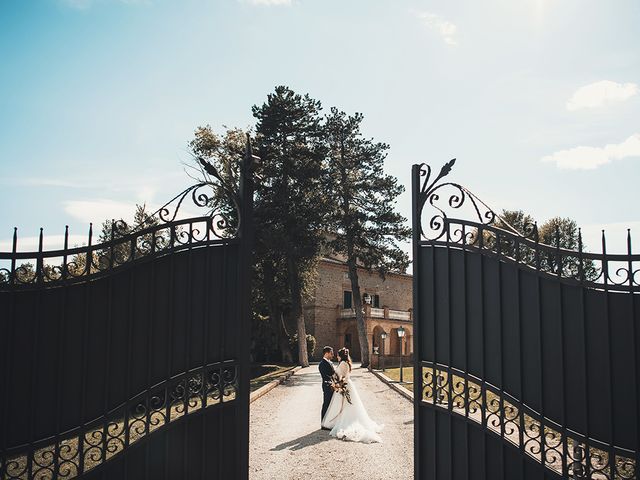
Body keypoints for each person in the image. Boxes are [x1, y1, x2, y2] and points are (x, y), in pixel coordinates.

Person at [321, 347, 383, 443]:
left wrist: (335, 382)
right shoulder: (347, 363)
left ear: (340, 356)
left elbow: (337, 375)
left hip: (343, 385)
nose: (336, 357)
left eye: (337, 355)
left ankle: (338, 423)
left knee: (343, 405)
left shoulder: (342, 363)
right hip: (348, 384)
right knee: (348, 405)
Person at [318, 346, 336, 430]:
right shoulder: (322, 364)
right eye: (331, 353)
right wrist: (332, 383)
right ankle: (323, 424)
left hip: (332, 386)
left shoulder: (330, 362)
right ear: (327, 353)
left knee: (330, 405)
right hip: (327, 386)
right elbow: (326, 376)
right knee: (326, 404)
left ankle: (328, 422)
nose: (332, 355)